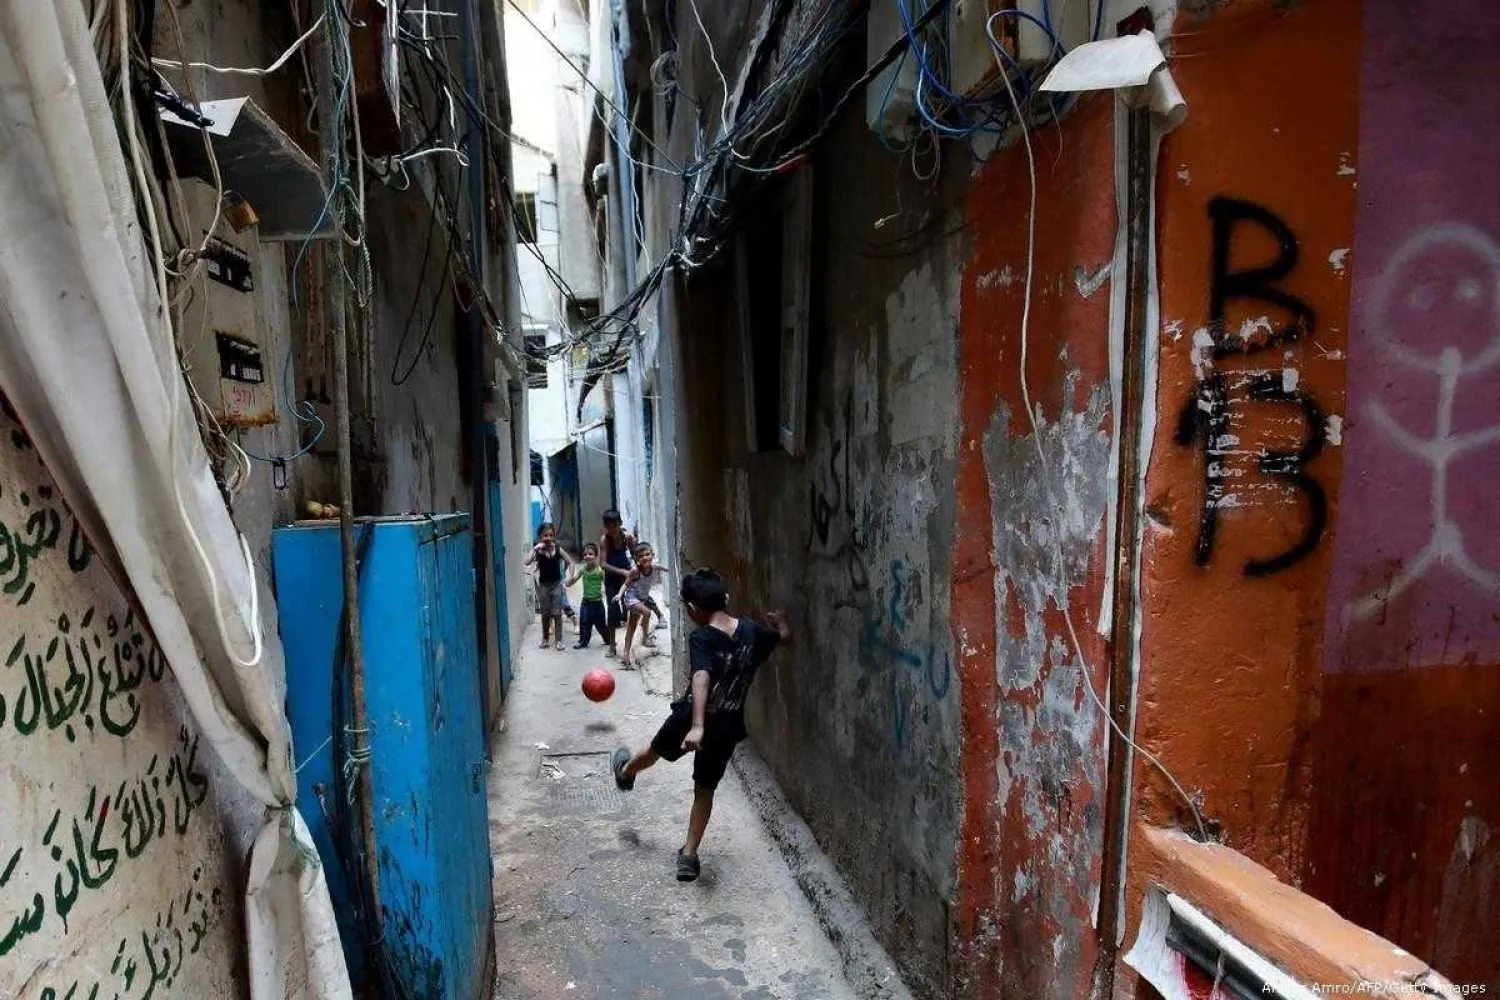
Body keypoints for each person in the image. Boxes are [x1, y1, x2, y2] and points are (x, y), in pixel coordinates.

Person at [612, 569, 790, 882]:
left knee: (654, 752)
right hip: (727, 727)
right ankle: (690, 854)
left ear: (693, 610)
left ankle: (626, 773)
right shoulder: (753, 632)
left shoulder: (702, 637)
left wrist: (696, 725)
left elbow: (701, 676)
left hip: (689, 720)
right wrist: (782, 625)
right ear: (726, 599)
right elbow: (783, 639)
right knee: (704, 788)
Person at [523, 523, 572, 650]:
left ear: (554, 536)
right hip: (543, 586)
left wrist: (567, 577)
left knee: (557, 613)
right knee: (545, 613)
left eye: (551, 535)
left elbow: (569, 561)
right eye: (545, 535)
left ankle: (559, 640)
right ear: (540, 536)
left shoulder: (558, 548)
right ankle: (545, 639)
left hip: (556, 584)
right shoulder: (538, 550)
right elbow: (526, 561)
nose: (548, 538)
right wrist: (535, 549)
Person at [619, 542, 669, 667]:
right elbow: (626, 584)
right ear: (636, 559)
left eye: (647, 554)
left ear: (652, 554)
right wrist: (619, 594)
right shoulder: (635, 571)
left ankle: (626, 655)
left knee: (631, 627)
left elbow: (666, 569)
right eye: (641, 556)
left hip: (641, 599)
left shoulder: (654, 567)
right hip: (631, 599)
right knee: (647, 612)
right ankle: (645, 639)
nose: (645, 558)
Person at [598, 509, 635, 657]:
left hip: (627, 575)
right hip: (612, 577)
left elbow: (635, 555)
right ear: (605, 526)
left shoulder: (628, 538)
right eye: (608, 527)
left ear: (620, 523)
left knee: (633, 604)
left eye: (615, 525)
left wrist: (635, 569)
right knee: (612, 609)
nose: (612, 529)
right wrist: (622, 572)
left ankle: (633, 641)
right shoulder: (604, 540)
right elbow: (603, 564)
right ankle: (612, 645)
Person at [566, 543, 613, 653]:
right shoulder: (583, 570)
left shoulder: (600, 571)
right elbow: (575, 579)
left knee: (600, 624)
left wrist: (611, 593)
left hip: (597, 603)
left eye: (590, 554)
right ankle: (583, 642)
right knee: (584, 622)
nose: (587, 556)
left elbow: (606, 582)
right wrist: (569, 582)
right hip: (586, 602)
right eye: (585, 554)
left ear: (596, 556)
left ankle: (608, 640)